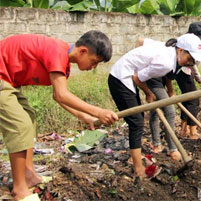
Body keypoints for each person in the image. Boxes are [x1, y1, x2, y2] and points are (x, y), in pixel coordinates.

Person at [0, 31, 118, 201]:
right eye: (94, 62)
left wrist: (85, 117)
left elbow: (58, 95)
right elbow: (62, 94)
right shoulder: (57, 51)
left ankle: (28, 173)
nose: (93, 68)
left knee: (29, 116)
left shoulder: (64, 64)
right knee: (20, 125)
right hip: (2, 78)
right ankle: (20, 189)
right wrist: (98, 112)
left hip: (9, 81)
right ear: (83, 51)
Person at [108, 34, 201, 178]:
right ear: (180, 50)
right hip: (121, 78)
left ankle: (135, 156)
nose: (190, 63)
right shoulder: (165, 62)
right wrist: (148, 93)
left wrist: (138, 61)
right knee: (136, 122)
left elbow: (141, 40)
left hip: (125, 74)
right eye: (189, 58)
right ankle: (138, 168)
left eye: (193, 60)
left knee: (137, 119)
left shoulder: (167, 48)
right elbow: (137, 78)